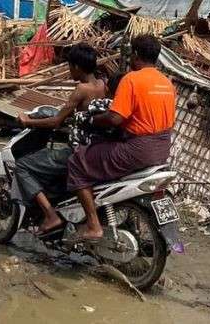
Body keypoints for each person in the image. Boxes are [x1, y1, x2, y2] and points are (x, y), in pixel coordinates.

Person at [67, 35, 175, 241]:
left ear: (135, 54)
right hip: (162, 150)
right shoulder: (166, 83)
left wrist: (91, 120)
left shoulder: (131, 79)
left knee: (77, 162)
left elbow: (115, 118)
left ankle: (93, 225)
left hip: (137, 150)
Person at [15, 43, 107, 235]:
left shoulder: (82, 89)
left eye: (69, 65)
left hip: (77, 151)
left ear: (77, 67)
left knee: (23, 166)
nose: (68, 69)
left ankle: (50, 215)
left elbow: (56, 121)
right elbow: (86, 114)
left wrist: (28, 122)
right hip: (96, 147)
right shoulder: (102, 85)